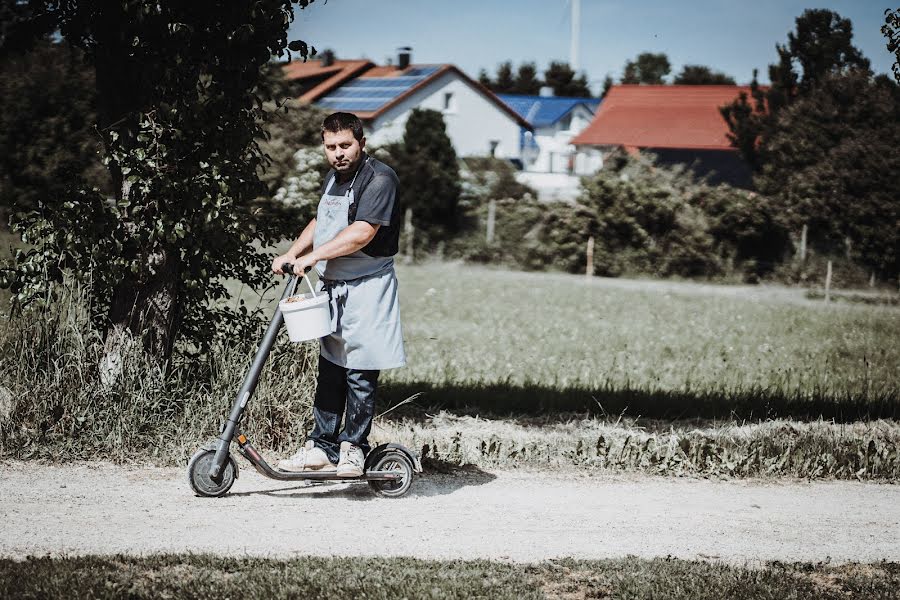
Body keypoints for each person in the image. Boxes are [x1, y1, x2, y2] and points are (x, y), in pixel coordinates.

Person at [271, 112, 405, 477]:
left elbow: (362, 232)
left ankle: (353, 449)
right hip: (334, 287)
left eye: (345, 145)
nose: (338, 153)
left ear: (362, 143)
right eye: (331, 147)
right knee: (331, 369)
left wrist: (313, 257)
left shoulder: (379, 179)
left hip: (367, 287)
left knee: (360, 370)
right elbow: (321, 222)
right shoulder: (334, 178)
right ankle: (321, 447)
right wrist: (293, 253)